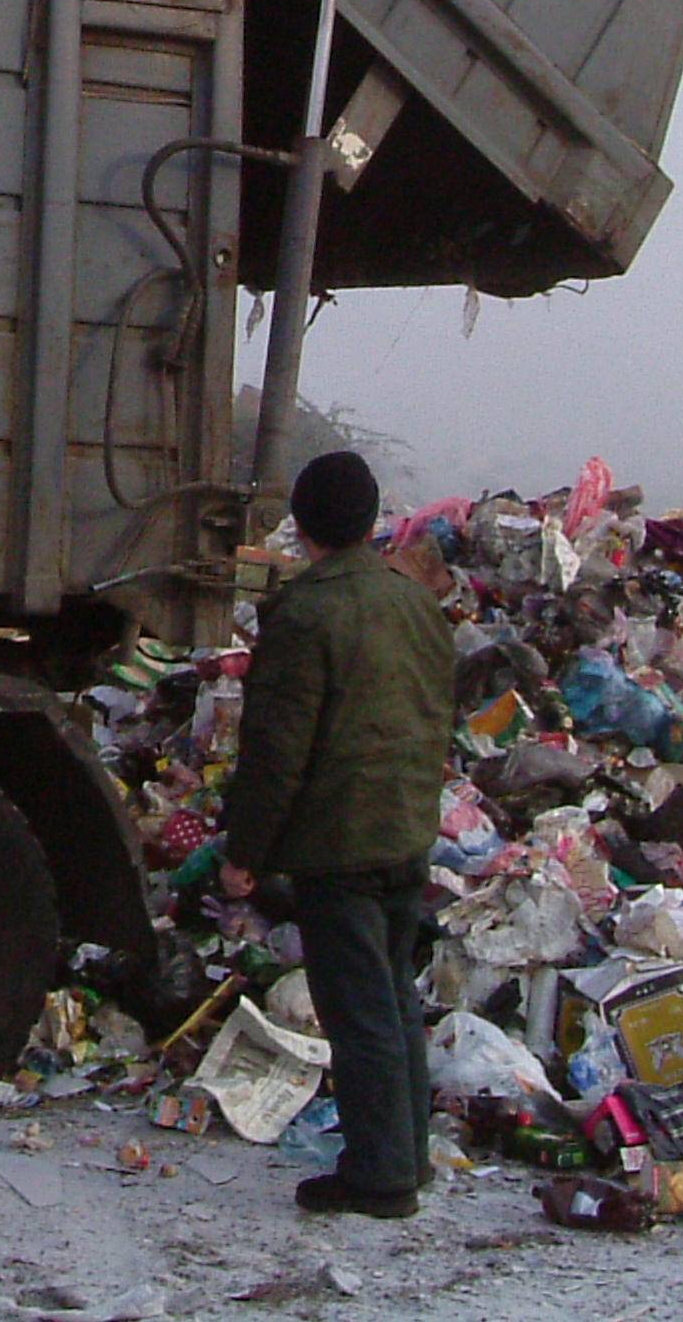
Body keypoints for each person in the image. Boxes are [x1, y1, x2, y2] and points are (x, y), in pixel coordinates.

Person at [218, 449, 453, 1217]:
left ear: (306, 525)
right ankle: (405, 1157)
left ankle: (380, 1178)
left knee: (358, 1012)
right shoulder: (417, 603)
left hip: (340, 842)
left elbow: (276, 754)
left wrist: (244, 854)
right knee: (392, 998)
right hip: (407, 831)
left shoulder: (304, 614)